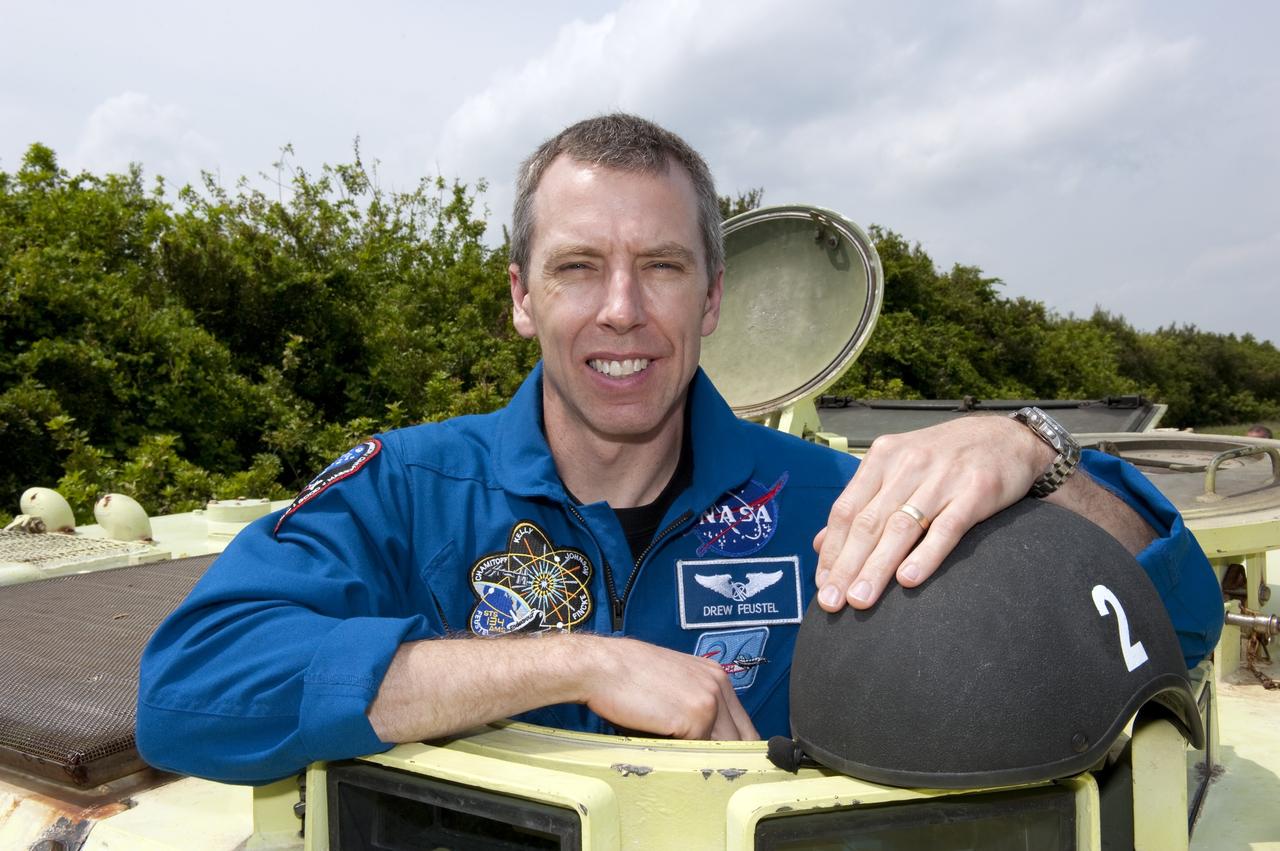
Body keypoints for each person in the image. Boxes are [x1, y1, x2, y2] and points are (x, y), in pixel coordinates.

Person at [137, 114, 1223, 784]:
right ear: (520, 297)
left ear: (711, 298)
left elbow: (1163, 618)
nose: (620, 309)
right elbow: (189, 690)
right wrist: (573, 660)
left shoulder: (830, 502)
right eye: (575, 268)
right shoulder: (408, 490)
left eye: (659, 266)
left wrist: (1032, 449)